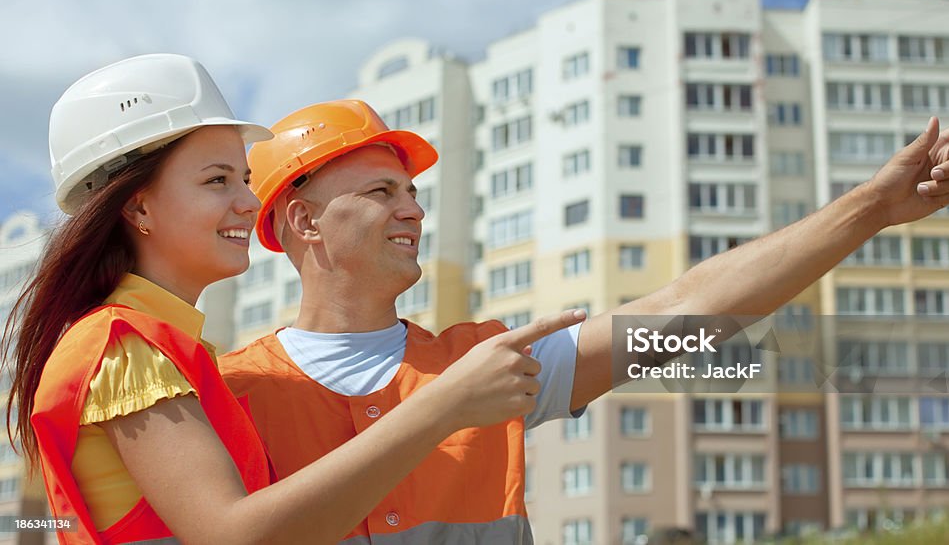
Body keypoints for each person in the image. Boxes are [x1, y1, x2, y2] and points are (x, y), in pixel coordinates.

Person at [220, 98, 949, 544]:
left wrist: (866, 211)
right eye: (382, 192)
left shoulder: (493, 363)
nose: (414, 209)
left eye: (413, 192)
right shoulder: (227, 393)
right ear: (303, 222)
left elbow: (685, 313)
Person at [1, 55, 582, 544]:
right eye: (216, 181)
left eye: (244, 182)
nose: (250, 206)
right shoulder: (125, 345)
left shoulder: (161, 345)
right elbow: (236, 535)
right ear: (139, 207)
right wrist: (445, 406)